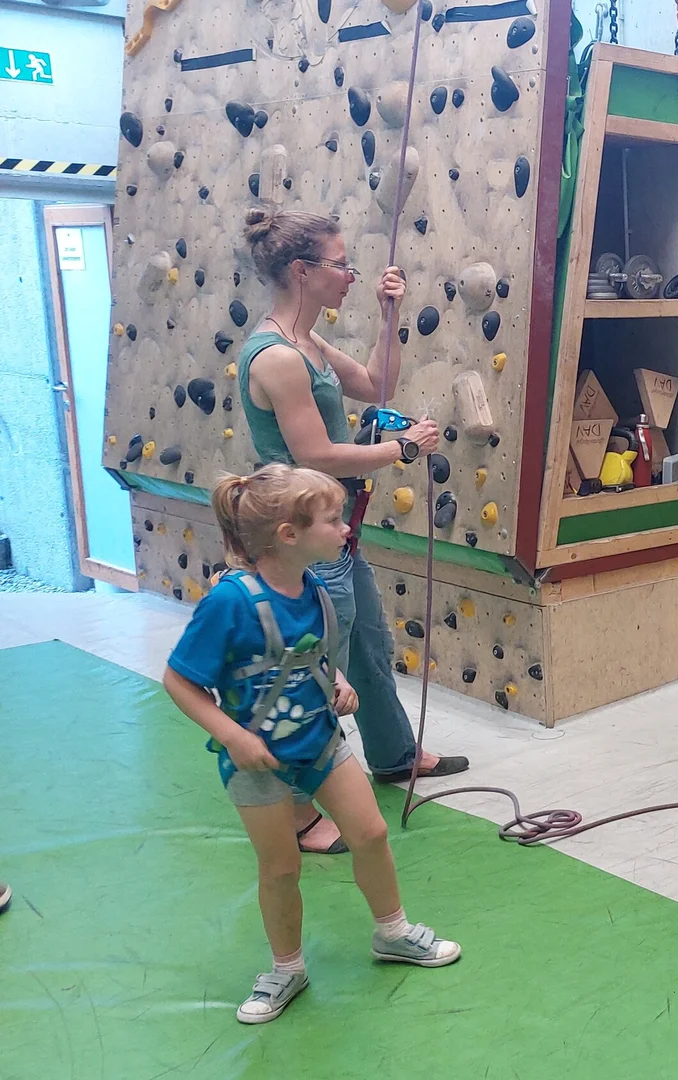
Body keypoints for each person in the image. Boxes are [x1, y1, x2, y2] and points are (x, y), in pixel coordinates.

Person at [164, 466, 461, 1024]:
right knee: (280, 868)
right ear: (288, 535)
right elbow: (179, 681)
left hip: (321, 741)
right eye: (332, 519)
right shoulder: (230, 603)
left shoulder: (317, 592)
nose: (346, 529)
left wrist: (340, 682)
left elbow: (313, 658)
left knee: (371, 833)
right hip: (258, 761)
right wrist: (232, 735)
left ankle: (392, 931)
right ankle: (287, 968)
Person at [237, 209, 467, 855]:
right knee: (314, 672)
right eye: (341, 265)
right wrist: (402, 449)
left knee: (366, 643)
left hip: (330, 533)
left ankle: (393, 754)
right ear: (301, 271)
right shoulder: (278, 357)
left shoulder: (307, 343)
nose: (350, 275)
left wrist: (390, 317)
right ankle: (297, 810)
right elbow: (315, 454)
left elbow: (376, 383)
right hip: (300, 541)